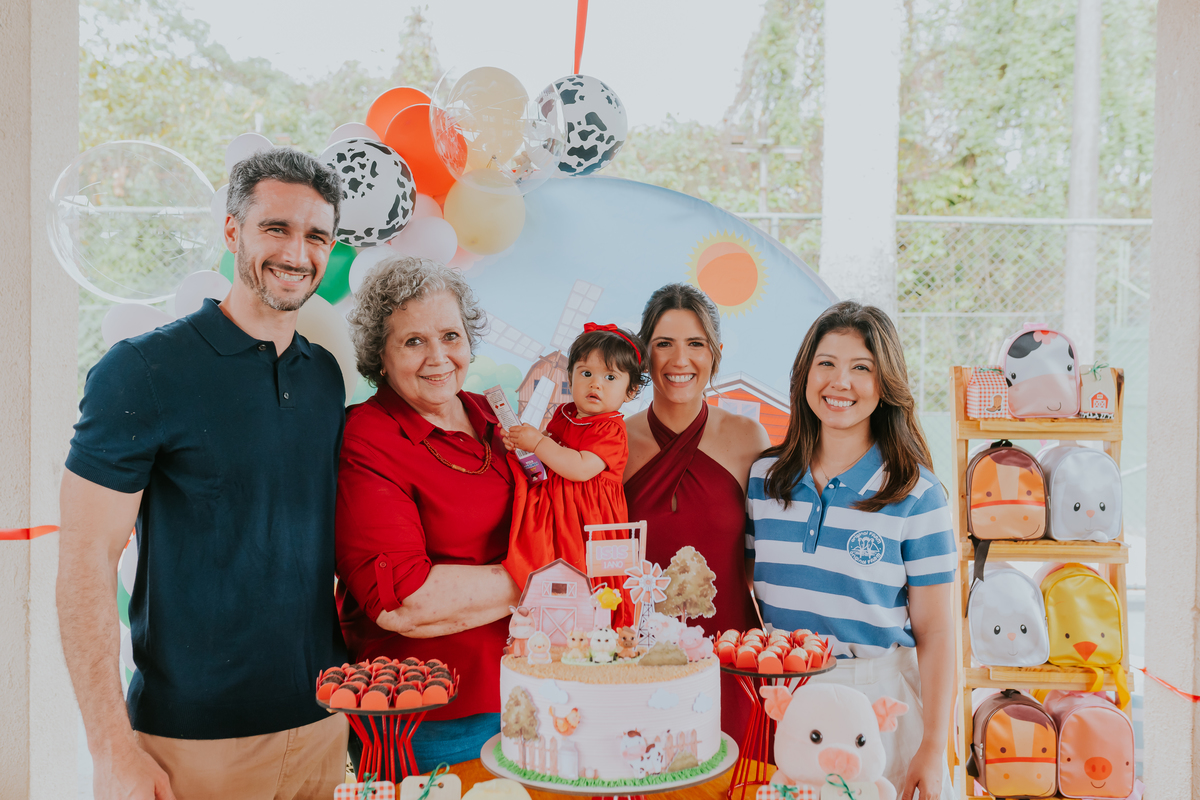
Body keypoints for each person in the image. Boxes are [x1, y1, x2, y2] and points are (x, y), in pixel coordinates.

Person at [58, 148, 349, 800]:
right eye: (275, 228)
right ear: (231, 232)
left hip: (325, 727)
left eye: (316, 235)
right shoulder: (143, 372)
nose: (296, 251)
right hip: (191, 744)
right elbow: (84, 558)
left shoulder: (326, 378)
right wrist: (110, 747)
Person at [746, 301, 956, 800]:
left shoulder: (917, 495)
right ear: (804, 374)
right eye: (827, 364)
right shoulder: (764, 479)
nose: (840, 382)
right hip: (790, 704)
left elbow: (938, 631)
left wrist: (934, 744)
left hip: (879, 705)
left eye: (861, 368)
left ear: (884, 386)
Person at [335, 255, 521, 771]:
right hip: (429, 715)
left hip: (526, 693)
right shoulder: (367, 438)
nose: (438, 357)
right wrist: (545, 577)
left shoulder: (492, 414)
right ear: (381, 355)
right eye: (413, 341)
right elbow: (404, 601)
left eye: (451, 336)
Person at [623, 283, 770, 735]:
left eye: (695, 344)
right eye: (664, 344)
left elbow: (761, 560)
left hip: (731, 654)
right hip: (639, 657)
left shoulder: (749, 438)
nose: (679, 360)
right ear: (644, 353)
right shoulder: (614, 443)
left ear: (715, 353)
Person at [501, 322, 647, 620]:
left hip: (589, 520)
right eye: (586, 373)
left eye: (610, 377)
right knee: (552, 566)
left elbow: (580, 468)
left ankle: (598, 628)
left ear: (630, 391)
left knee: (590, 578)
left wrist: (539, 441)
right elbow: (549, 456)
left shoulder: (611, 429)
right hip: (557, 508)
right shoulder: (563, 414)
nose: (596, 384)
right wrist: (523, 445)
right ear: (571, 377)